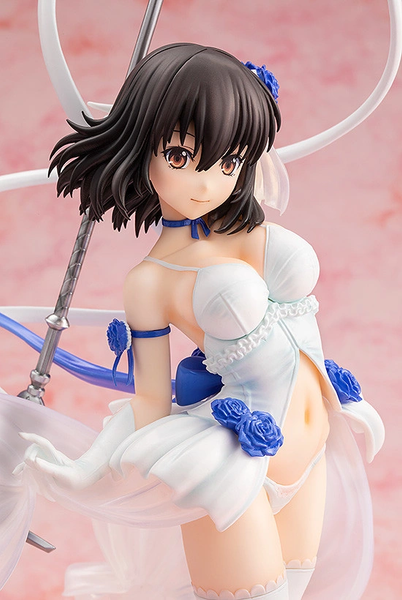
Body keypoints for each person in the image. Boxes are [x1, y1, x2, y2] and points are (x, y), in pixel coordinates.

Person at [0, 43, 384, 600]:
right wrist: (88, 472)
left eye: (229, 162)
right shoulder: (150, 281)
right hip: (231, 469)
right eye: (181, 155)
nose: (208, 183)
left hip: (312, 448)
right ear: (141, 145)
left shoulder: (241, 229)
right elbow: (150, 403)